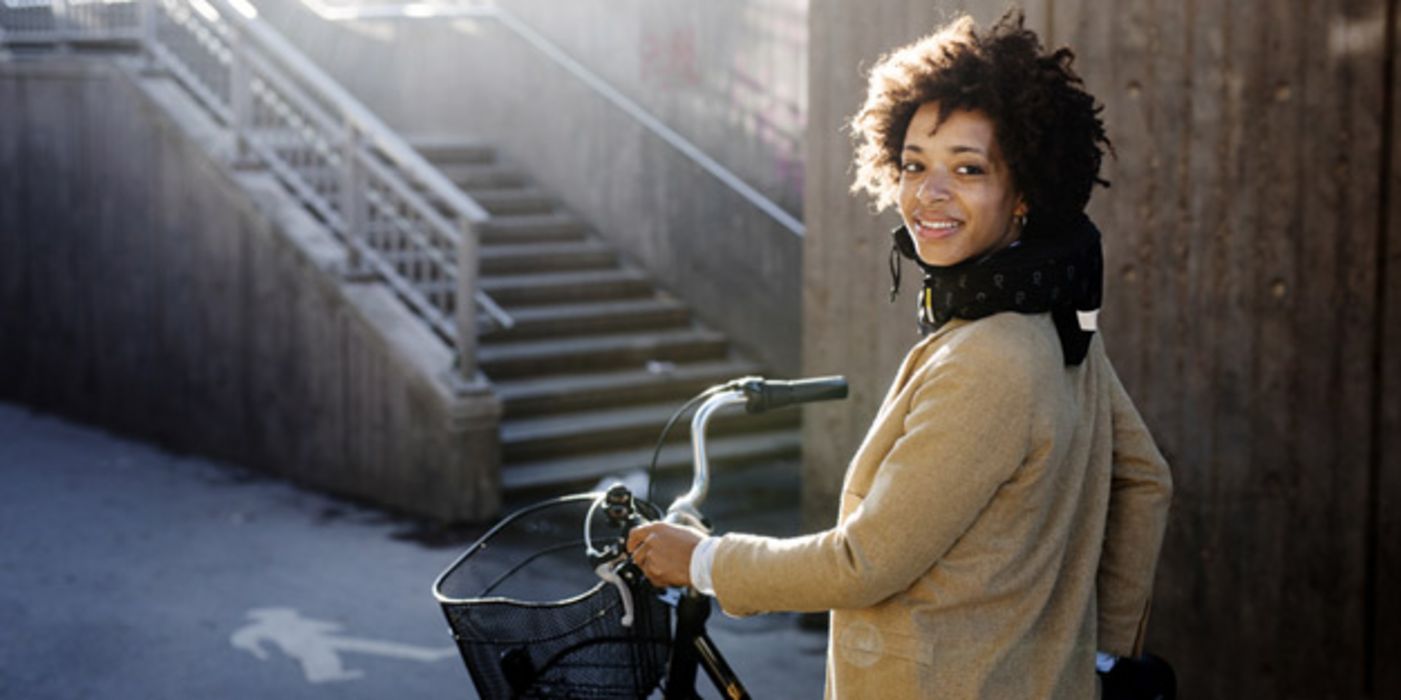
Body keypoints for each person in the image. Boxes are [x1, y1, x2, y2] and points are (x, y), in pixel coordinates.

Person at [627, 11, 1173, 699]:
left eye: (967, 169)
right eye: (915, 165)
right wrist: (1098, 660)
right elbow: (1145, 481)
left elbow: (862, 563)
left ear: (1026, 191)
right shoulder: (1052, 319)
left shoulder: (989, 357)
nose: (929, 194)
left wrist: (703, 561)